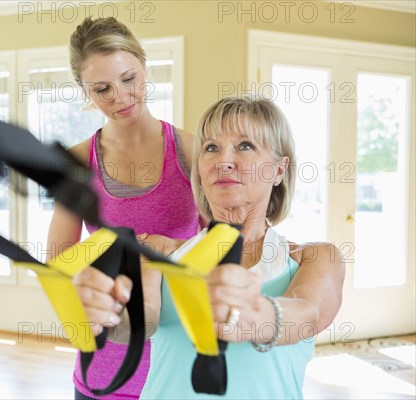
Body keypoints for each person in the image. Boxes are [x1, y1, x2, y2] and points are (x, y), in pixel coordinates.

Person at [73, 96, 346, 399]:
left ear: (279, 170)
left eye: (245, 146)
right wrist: (107, 311)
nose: (224, 161)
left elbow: (308, 314)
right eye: (211, 148)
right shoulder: (160, 252)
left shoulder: (316, 257)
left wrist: (252, 314)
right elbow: (139, 323)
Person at [47, 16, 202, 400]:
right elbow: (58, 262)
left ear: (145, 67)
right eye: (102, 89)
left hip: (180, 366)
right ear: (86, 92)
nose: (121, 97)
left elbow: (229, 247)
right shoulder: (77, 162)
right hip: (105, 370)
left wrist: (168, 251)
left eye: (129, 78)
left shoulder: (194, 151)